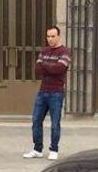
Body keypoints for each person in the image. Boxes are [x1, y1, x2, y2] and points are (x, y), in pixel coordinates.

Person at [23, 25, 70, 161]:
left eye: (52, 36)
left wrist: (46, 66)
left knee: (55, 123)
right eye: (48, 36)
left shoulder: (65, 51)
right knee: (36, 120)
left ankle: (54, 149)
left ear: (58, 36)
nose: (50, 39)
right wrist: (49, 67)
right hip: (43, 90)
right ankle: (37, 149)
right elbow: (37, 69)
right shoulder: (44, 51)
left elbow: (60, 69)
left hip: (56, 92)